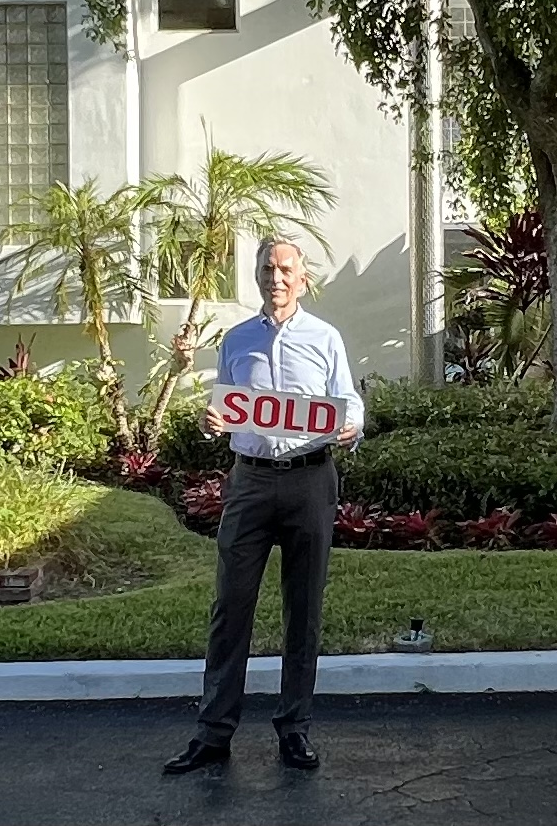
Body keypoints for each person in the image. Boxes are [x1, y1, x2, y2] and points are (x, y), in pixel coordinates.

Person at [163, 237, 364, 775]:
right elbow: (227, 406)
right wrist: (213, 425)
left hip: (309, 482)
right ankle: (213, 734)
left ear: (302, 279)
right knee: (230, 609)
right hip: (250, 483)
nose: (276, 277)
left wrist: (352, 426)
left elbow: (349, 400)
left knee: (304, 612)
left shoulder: (325, 338)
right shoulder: (238, 339)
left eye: (286, 269)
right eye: (267, 268)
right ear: (256, 275)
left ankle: (294, 730)